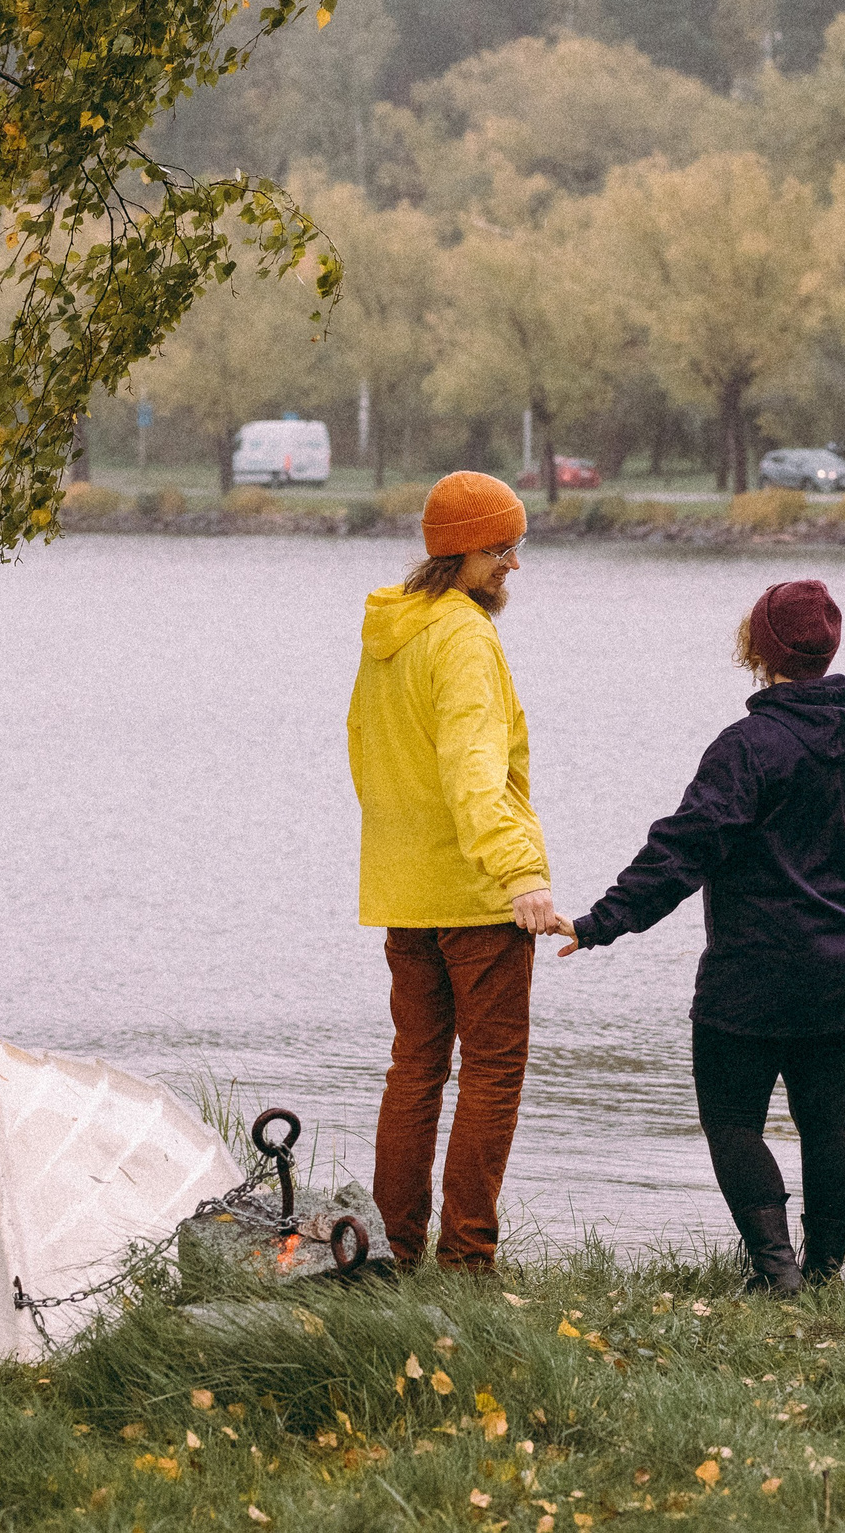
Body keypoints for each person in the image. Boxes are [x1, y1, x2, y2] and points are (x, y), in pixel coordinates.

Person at [559, 579, 845, 1293]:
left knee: (732, 1120)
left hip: (752, 974)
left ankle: (776, 1271)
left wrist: (601, 922)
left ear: (761, 649)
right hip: (841, 969)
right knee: (826, 1124)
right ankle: (824, 1275)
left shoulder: (749, 747)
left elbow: (683, 850)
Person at [346, 470, 558, 1272]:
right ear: (463, 552)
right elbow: (475, 770)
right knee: (492, 1073)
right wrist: (520, 875)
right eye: (503, 549)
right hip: (475, 898)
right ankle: (466, 1259)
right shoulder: (463, 636)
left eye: (517, 546)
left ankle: (393, 1251)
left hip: (406, 894)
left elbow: (365, 755)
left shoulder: (391, 633)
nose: (513, 563)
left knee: (416, 1070)